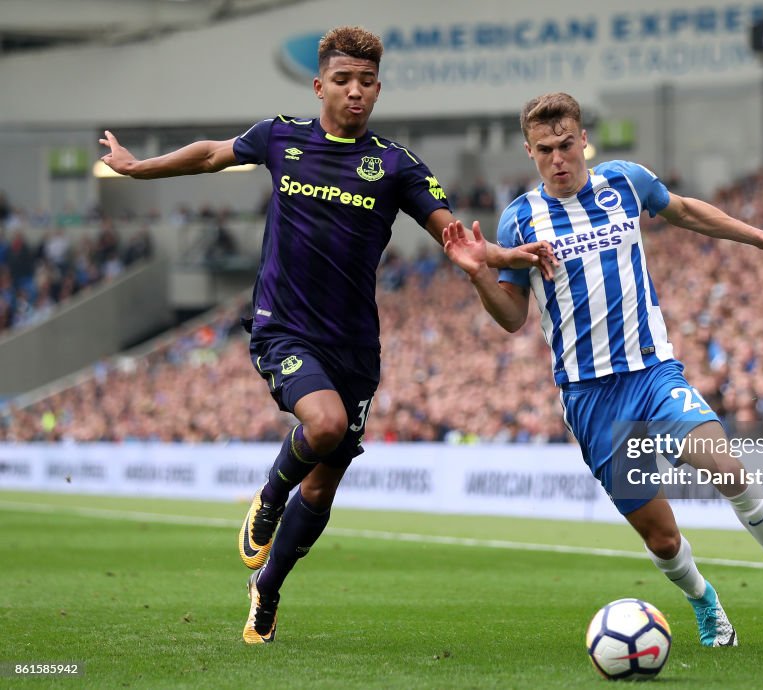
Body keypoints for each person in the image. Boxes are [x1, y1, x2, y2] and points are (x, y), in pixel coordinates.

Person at [99, 26, 553, 645]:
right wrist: (134, 168)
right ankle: (266, 496)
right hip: (284, 328)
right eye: (343, 80)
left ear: (378, 88)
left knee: (323, 484)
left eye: (367, 82)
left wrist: (500, 255)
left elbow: (455, 236)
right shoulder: (282, 137)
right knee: (325, 426)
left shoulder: (397, 165)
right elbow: (210, 153)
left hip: (355, 348)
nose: (356, 92)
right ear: (320, 86)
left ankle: (268, 590)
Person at [443, 92, 763, 648]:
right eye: (544, 150)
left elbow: (685, 210)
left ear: (583, 140)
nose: (558, 158)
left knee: (726, 466)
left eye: (566, 145)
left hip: (652, 371)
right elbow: (512, 317)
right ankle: (706, 602)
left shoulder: (624, 182)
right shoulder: (518, 220)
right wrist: (477, 274)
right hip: (589, 396)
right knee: (661, 538)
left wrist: (758, 236)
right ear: (529, 152)